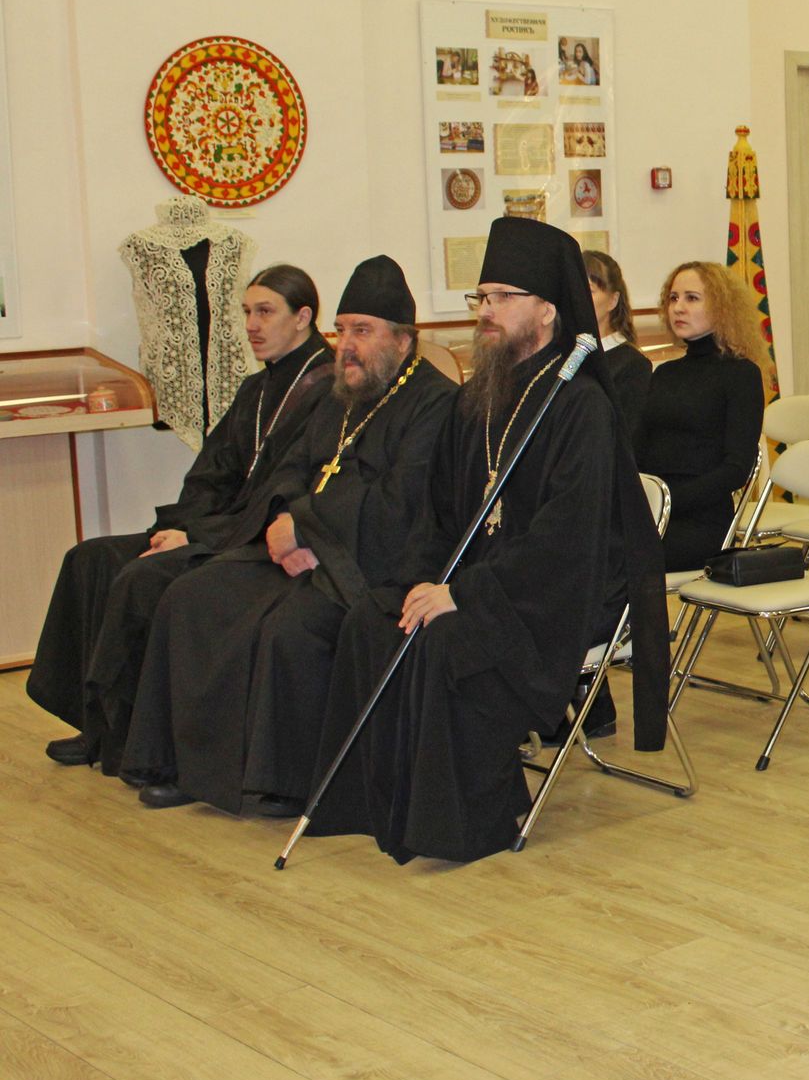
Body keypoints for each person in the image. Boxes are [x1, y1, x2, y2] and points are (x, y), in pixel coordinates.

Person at [303, 217, 669, 864]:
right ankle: (373, 804)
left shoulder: (580, 406)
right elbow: (439, 514)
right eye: (482, 297)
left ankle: (462, 822)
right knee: (373, 617)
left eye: (503, 297)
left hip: (549, 598)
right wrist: (421, 580)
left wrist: (463, 595)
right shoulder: (478, 399)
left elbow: (564, 541)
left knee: (448, 638)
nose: (486, 312)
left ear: (548, 310)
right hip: (478, 582)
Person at [119, 258, 458, 814]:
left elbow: (401, 503)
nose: (347, 345)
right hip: (304, 547)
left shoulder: (436, 402)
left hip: (369, 563)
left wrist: (308, 530)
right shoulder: (342, 394)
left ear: (403, 340)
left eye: (363, 331)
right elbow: (292, 469)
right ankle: (189, 766)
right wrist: (284, 524)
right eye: (341, 330)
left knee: (288, 629)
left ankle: (282, 782)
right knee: (194, 596)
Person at [29, 266, 332, 773]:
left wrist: (197, 536)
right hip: (216, 526)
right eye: (247, 312)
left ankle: (143, 745)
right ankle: (100, 727)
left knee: (143, 578)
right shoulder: (257, 389)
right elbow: (212, 472)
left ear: (302, 317)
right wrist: (181, 526)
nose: (252, 325)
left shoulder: (328, 389)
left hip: (255, 538)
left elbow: (283, 494)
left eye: (265, 312)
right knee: (91, 559)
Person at [635, 261, 769, 571]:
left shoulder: (741, 374)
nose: (678, 308)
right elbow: (637, 449)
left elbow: (736, 469)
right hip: (653, 510)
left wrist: (668, 502)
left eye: (692, 298)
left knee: (612, 558)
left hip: (700, 521)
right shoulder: (665, 373)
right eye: (673, 298)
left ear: (722, 307)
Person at [583, 249, 652, 445]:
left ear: (612, 300)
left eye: (589, 290)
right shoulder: (563, 354)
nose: (579, 298)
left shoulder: (633, 364)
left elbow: (625, 439)